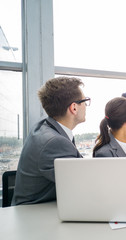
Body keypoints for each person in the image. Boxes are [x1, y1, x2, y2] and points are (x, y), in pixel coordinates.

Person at [13, 77, 89, 205]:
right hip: (34, 215)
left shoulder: (46, 128)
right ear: (74, 108)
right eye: (85, 101)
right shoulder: (55, 142)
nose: (86, 106)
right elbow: (83, 185)